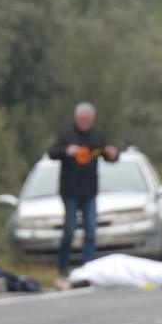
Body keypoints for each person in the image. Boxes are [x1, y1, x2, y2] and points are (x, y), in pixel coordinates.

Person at [46, 102, 120, 278]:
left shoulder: (97, 137)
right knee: (70, 229)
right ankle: (62, 266)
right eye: (82, 119)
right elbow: (52, 153)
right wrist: (67, 151)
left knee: (91, 230)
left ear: (92, 120)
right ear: (76, 119)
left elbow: (108, 154)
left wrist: (114, 154)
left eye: (87, 119)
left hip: (89, 191)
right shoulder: (66, 135)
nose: (84, 122)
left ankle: (88, 268)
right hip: (70, 190)